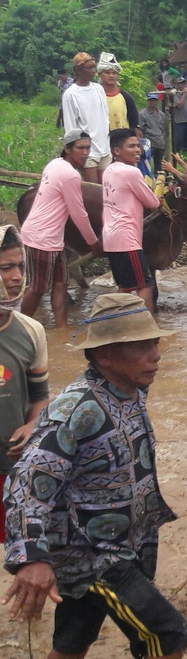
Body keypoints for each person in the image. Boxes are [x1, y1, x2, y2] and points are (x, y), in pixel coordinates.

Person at [2, 292, 187, 659]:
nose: (155, 355)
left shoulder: (129, 392)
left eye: (155, 343)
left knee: (73, 638)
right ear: (103, 355)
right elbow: (26, 483)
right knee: (168, 635)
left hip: (118, 543)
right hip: (95, 555)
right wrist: (32, 559)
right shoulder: (77, 408)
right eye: (142, 347)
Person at [19, 131, 101, 327]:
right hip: (42, 237)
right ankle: (20, 328)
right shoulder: (70, 174)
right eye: (80, 148)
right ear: (67, 149)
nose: (85, 153)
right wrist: (93, 243)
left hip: (52, 237)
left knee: (60, 284)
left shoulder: (55, 164)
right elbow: (78, 213)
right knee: (38, 287)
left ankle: (62, 328)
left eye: (88, 148)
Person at [0, 225, 47, 539]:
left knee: (15, 546)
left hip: (11, 468)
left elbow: (40, 397)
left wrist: (32, 427)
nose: (17, 277)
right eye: (5, 268)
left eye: (20, 267)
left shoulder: (31, 331)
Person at [102, 129, 164, 312]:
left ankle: (122, 327)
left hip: (111, 238)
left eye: (138, 145)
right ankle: (147, 328)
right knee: (146, 285)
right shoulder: (131, 172)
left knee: (125, 287)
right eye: (131, 146)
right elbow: (153, 202)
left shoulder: (109, 170)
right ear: (117, 151)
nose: (138, 150)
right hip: (127, 239)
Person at [62, 52, 110, 183]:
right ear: (78, 70)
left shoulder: (99, 88)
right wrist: (78, 152)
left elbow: (105, 117)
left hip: (105, 148)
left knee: (107, 191)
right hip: (88, 151)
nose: (93, 71)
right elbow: (71, 127)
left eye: (94, 67)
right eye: (89, 68)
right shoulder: (70, 94)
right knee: (94, 192)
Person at [138, 94, 167, 173]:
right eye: (151, 100)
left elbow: (164, 130)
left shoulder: (162, 115)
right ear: (148, 101)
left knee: (159, 166)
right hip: (149, 143)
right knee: (146, 164)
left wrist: (164, 144)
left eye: (154, 100)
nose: (153, 102)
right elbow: (140, 130)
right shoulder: (143, 114)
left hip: (160, 143)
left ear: (157, 101)